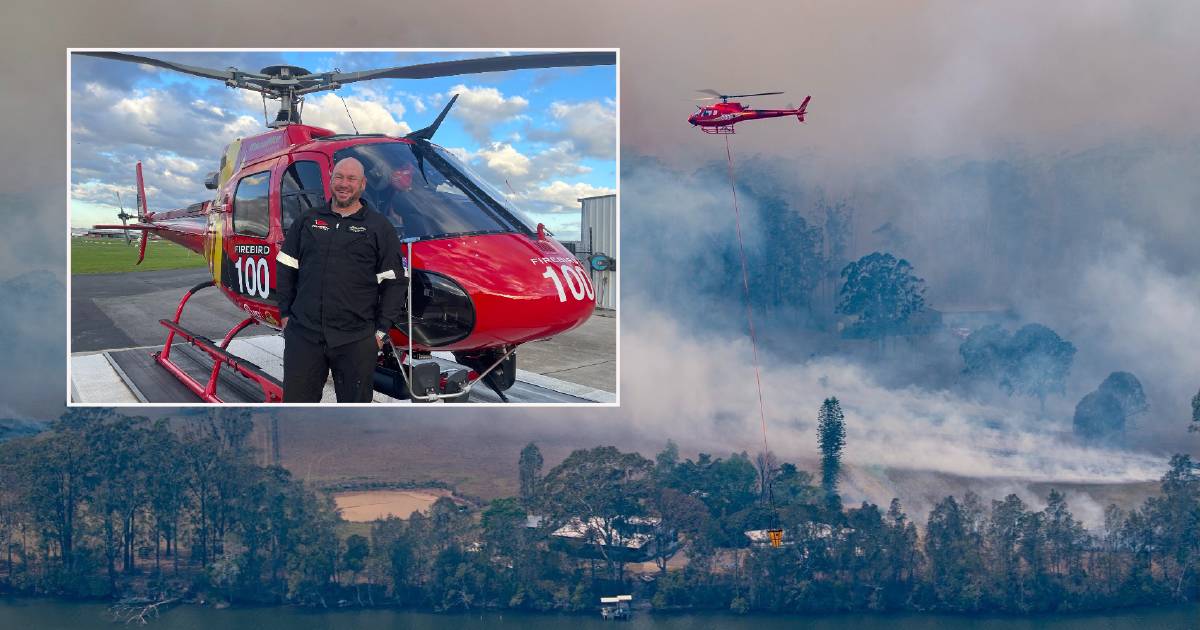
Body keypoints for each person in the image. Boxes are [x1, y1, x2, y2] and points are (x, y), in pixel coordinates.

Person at [275, 157, 405, 402]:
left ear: (363, 184)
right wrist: (285, 314)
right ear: (331, 180)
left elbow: (395, 282)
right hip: (304, 335)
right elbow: (286, 266)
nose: (344, 184)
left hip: (355, 340)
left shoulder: (379, 227)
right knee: (297, 409)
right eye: (339, 177)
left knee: (353, 415)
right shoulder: (308, 220)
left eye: (351, 179)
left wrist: (379, 333)